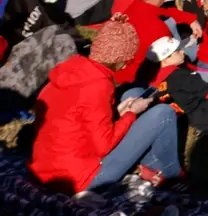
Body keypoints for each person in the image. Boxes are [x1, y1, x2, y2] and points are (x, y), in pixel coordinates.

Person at [29, 14, 182, 192]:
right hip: (81, 179)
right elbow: (103, 145)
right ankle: (173, 176)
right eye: (126, 60)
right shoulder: (98, 86)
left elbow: (77, 120)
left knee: (133, 93)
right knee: (163, 113)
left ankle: (150, 164)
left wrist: (119, 112)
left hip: (46, 167)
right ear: (118, 59)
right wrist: (131, 114)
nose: (125, 66)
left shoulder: (70, 72)